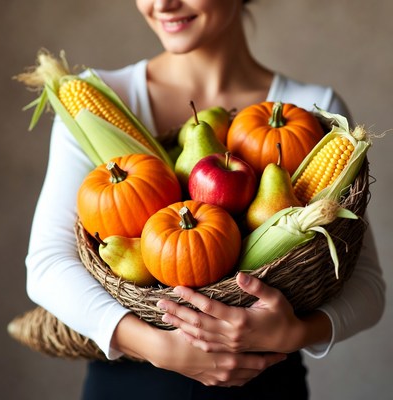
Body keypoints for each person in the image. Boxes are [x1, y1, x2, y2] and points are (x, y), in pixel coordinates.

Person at [25, 1, 385, 399]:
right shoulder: (99, 101)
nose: (162, 4)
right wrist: (158, 347)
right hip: (132, 385)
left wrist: (293, 332)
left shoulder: (314, 110)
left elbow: (368, 287)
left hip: (264, 384)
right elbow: (46, 266)